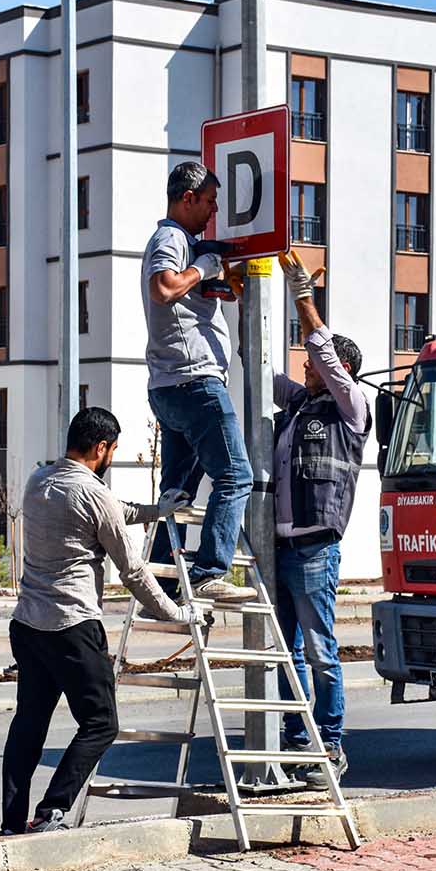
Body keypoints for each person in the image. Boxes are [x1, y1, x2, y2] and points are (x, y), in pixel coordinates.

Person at [0, 407, 195, 835]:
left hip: (29, 625)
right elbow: (134, 571)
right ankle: (52, 810)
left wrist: (154, 510)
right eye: (113, 451)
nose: (113, 458)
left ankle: (12, 822)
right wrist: (177, 613)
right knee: (102, 723)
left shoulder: (39, 481)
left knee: (29, 725)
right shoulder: (93, 493)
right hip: (73, 626)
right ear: (101, 448)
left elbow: (107, 511)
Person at [272, 250, 370, 791]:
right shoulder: (298, 407)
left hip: (314, 550)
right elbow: (258, 371)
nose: (306, 368)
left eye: (316, 364)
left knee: (320, 651)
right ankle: (295, 741)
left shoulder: (349, 406)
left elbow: (320, 352)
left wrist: (303, 295)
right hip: (281, 549)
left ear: (342, 370)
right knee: (289, 654)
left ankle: (329, 745)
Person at [140, 161, 256, 604]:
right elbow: (164, 288)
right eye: (209, 201)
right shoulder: (170, 238)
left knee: (177, 493)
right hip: (194, 383)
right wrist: (204, 268)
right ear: (187, 199)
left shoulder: (182, 241)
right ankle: (208, 572)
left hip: (171, 386)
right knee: (235, 476)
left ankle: (165, 581)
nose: (214, 210)